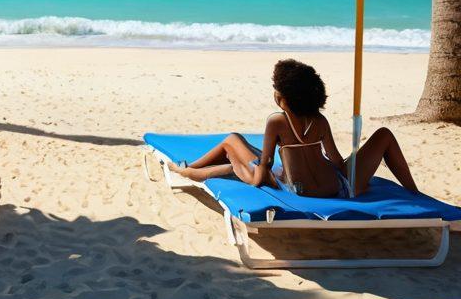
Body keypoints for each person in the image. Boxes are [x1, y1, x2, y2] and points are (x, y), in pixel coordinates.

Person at [171, 58, 418, 197]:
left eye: (277, 90)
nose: (275, 93)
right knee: (383, 135)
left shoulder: (276, 121)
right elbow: (338, 162)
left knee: (232, 142)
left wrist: (253, 178)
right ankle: (414, 193)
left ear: (286, 97)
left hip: (298, 190)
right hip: (339, 187)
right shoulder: (320, 121)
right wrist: (358, 171)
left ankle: (188, 170)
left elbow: (265, 163)